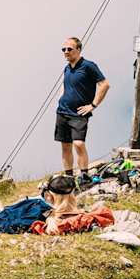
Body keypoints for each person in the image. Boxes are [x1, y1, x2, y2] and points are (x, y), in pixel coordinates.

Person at [56, 37, 109, 184]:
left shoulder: (88, 66)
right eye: (64, 49)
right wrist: (61, 98)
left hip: (79, 113)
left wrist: (93, 105)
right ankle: (69, 177)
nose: (66, 52)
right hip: (62, 112)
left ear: (78, 50)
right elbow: (65, 84)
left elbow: (104, 84)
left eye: (69, 49)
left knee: (78, 143)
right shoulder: (67, 68)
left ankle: (84, 176)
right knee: (65, 145)